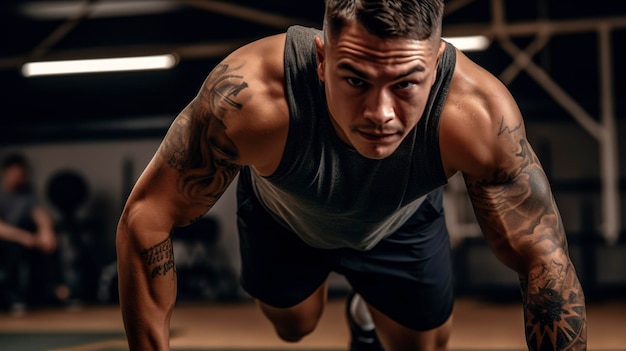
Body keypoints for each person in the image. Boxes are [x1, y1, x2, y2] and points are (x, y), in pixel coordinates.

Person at [116, 0, 587, 350]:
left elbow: (543, 258)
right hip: (283, 218)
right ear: (320, 60)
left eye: (405, 83)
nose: (380, 113)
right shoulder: (249, 99)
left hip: (398, 223)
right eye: (356, 80)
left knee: (421, 345)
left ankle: (366, 313)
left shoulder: (479, 115)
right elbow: (146, 218)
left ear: (437, 62)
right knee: (293, 326)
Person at [0, 153, 57, 315]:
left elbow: (39, 213)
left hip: (24, 239)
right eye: (16, 174)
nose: (20, 178)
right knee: (14, 247)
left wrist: (46, 232)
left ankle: (51, 291)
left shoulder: (28, 193)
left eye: (22, 175)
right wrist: (23, 237)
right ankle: (11, 296)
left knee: (49, 242)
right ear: (6, 173)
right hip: (8, 240)